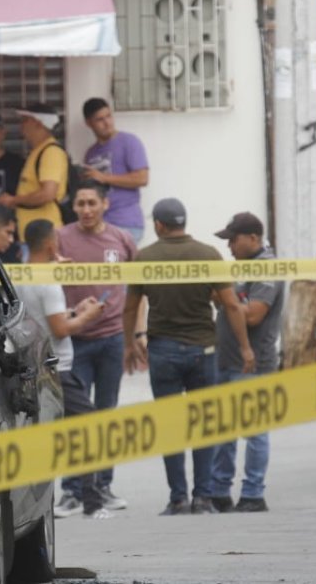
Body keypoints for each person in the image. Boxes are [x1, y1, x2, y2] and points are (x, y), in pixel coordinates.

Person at [123, 197, 254, 516]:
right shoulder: (208, 254)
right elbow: (232, 305)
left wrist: (130, 342)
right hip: (203, 351)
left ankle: (178, 498)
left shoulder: (144, 258)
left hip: (163, 351)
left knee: (170, 426)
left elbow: (130, 307)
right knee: (204, 425)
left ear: (158, 224)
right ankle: (203, 497)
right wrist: (245, 347)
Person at [16, 219, 110, 519]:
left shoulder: (19, 273)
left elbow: (43, 318)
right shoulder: (48, 281)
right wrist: (89, 316)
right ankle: (92, 503)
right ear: (50, 245)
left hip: (33, 365)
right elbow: (59, 328)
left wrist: (75, 310)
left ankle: (45, 504)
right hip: (59, 369)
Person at [55, 181, 137, 514]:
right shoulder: (61, 237)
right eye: (80, 204)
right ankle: (72, 490)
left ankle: (102, 486)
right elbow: (39, 275)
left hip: (113, 339)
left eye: (92, 203)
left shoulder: (122, 239)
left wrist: (136, 336)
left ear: (105, 204)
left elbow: (138, 289)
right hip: (75, 340)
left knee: (106, 416)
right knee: (76, 419)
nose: (86, 210)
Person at [208, 212, 284, 513]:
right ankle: (219, 490)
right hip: (226, 358)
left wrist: (228, 301)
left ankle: (253, 493)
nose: (229, 248)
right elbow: (223, 301)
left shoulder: (267, 268)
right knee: (223, 429)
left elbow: (253, 315)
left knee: (253, 430)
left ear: (253, 238)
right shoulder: (241, 267)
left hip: (254, 362)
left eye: (233, 240)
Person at [80, 98, 149, 244]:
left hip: (125, 223)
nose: (107, 123)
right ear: (89, 123)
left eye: (109, 116)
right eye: (100, 119)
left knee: (115, 265)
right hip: (99, 224)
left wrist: (104, 178)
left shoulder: (129, 141)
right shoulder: (90, 153)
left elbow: (142, 178)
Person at [0, 103, 68, 237]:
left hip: (44, 236)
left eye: (25, 120)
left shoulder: (51, 152)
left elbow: (47, 193)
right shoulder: (38, 152)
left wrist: (13, 200)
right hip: (32, 236)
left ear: (39, 124)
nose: (21, 125)